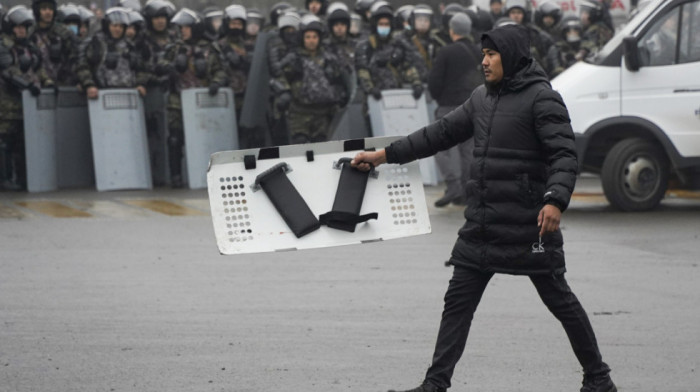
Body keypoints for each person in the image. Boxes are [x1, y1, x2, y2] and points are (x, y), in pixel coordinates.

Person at [350, 24, 617, 392]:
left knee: (560, 301)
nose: (485, 61)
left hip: (527, 225)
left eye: (491, 55)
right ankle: (435, 384)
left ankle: (599, 378)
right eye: (483, 55)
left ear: (510, 57)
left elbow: (564, 155)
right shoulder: (481, 98)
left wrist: (555, 200)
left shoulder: (543, 98)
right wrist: (384, 155)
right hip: (483, 224)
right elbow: (438, 134)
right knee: (457, 302)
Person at [156, 8, 226, 188]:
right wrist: (171, 66)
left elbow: (221, 70)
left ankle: (208, 176)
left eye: (186, 28)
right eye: (181, 28)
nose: (182, 31)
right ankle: (176, 177)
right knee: (174, 139)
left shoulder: (210, 48)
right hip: (177, 101)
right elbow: (160, 64)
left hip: (203, 102)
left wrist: (216, 83)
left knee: (206, 139)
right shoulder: (175, 47)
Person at [427, 12, 480, 207]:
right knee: (468, 149)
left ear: (451, 30)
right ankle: (465, 190)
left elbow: (434, 81)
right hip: (473, 106)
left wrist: (439, 98)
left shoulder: (445, 52)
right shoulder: (479, 51)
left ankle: (453, 185)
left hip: (448, 106)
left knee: (440, 146)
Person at [0, 5, 54, 191]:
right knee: (5, 142)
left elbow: (39, 68)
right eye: (17, 27)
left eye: (24, 27)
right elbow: (8, 71)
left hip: (28, 105)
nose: (21, 30)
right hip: (6, 104)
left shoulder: (30, 47)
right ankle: (5, 178)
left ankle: (24, 178)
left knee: (24, 143)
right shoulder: (3, 46)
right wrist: (26, 85)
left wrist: (47, 83)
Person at [282, 15, 347, 144]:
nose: (311, 41)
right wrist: (284, 92)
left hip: (323, 113)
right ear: (302, 39)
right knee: (300, 145)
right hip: (299, 113)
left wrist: (340, 96)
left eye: (314, 37)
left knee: (321, 147)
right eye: (308, 37)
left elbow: (340, 79)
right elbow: (281, 76)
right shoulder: (294, 58)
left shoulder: (329, 58)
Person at [29, 0, 79, 86]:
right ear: (37, 11)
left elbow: (75, 57)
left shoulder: (64, 33)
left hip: (63, 84)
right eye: (44, 9)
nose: (48, 12)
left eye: (50, 9)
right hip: (37, 85)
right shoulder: (30, 33)